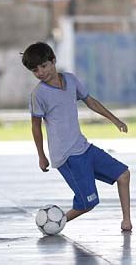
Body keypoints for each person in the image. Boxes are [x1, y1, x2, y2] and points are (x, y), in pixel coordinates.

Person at [21, 42, 132, 231]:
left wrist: (115, 120)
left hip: (84, 147)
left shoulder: (71, 80)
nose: (41, 72)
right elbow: (35, 126)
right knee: (87, 203)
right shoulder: (38, 94)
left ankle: (127, 221)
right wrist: (41, 155)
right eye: (35, 70)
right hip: (67, 156)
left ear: (53, 61)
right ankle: (54, 223)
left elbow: (90, 101)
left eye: (44, 66)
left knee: (124, 175)